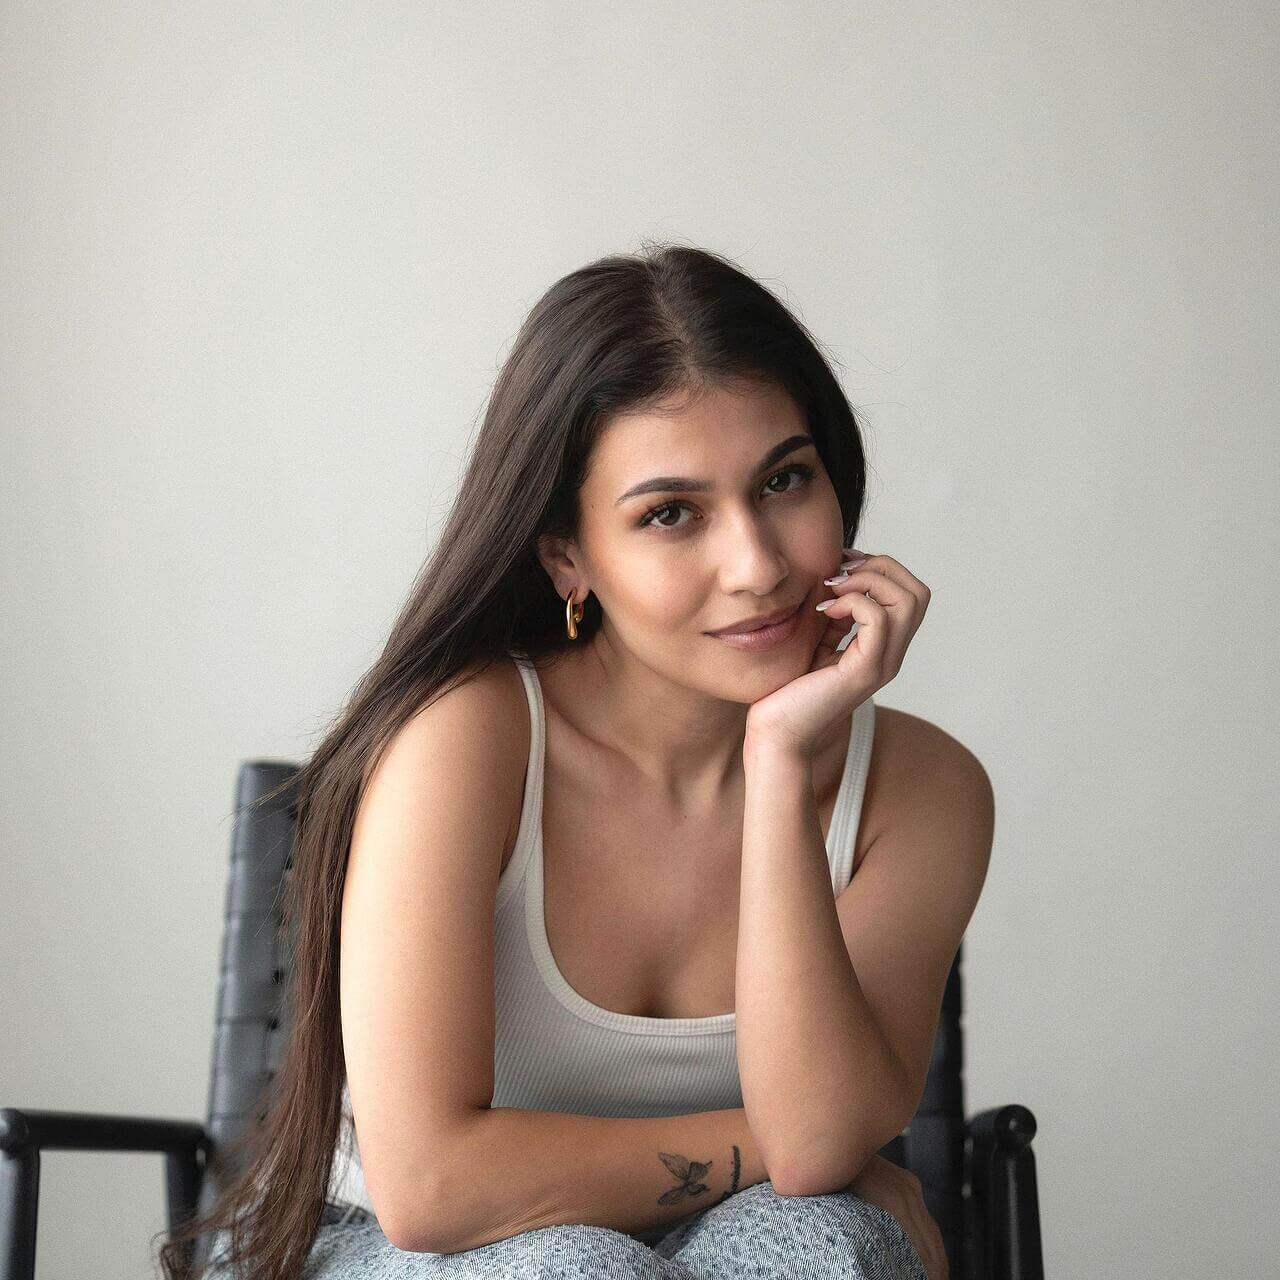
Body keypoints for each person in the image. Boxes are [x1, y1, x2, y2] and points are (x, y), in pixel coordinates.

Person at [161, 242, 992, 1280]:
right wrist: (778, 1146)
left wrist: (778, 763)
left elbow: (820, 1144)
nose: (757, 564)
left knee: (827, 1243)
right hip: (390, 1246)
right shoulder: (466, 737)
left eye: (784, 480)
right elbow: (427, 1187)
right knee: (581, 1270)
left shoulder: (922, 791)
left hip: (717, 1240)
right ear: (566, 555)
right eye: (670, 513)